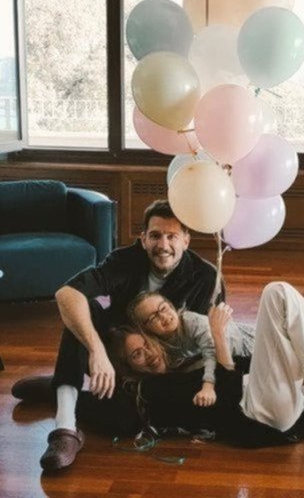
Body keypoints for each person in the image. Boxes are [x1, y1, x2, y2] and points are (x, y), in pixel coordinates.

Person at [12, 199, 222, 471]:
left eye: (172, 236)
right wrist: (97, 350)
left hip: (161, 365)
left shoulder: (206, 277)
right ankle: (65, 428)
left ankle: (58, 390)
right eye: (155, 235)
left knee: (127, 420)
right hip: (115, 353)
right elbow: (67, 293)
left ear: (186, 240)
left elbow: (207, 343)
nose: (163, 245)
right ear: (143, 239)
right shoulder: (125, 259)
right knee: (83, 309)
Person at [110, 282, 304, 446]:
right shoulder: (160, 384)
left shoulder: (187, 336)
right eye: (137, 355)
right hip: (259, 410)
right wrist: (219, 340)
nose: (147, 354)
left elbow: (236, 365)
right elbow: (227, 391)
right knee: (276, 292)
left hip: (275, 382)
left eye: (163, 308)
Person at [127, 291, 255, 408]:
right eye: (153, 317)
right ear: (145, 329)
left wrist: (208, 386)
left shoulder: (192, 322)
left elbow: (211, 355)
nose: (163, 316)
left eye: (163, 308)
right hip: (226, 362)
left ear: (171, 306)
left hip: (245, 346)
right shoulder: (159, 343)